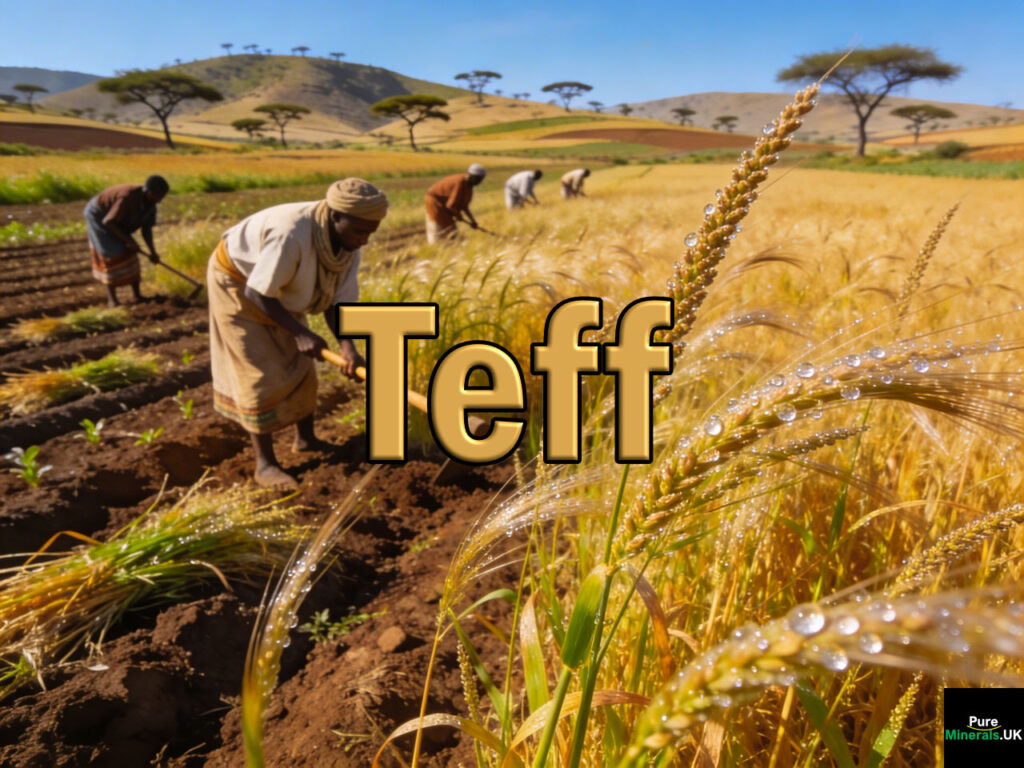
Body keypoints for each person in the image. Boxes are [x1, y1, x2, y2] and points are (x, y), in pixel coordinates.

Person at [207, 178, 388, 487]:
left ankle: (305, 440)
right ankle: (265, 464)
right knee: (258, 370)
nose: (365, 240)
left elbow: (338, 301)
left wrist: (348, 349)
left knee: (301, 365)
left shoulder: (347, 245)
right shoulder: (292, 234)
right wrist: (300, 333)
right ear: (335, 216)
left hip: (276, 287)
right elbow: (258, 293)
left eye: (370, 232)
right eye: (360, 231)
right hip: (238, 285)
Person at [83, 175, 168, 306]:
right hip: (99, 216)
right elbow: (108, 221)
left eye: (162, 197)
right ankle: (113, 300)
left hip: (116, 220)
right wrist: (128, 241)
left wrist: (153, 252)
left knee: (130, 253)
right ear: (149, 192)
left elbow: (146, 230)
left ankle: (137, 295)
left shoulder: (151, 205)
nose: (160, 200)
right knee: (111, 254)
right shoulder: (127, 197)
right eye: (159, 196)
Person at [424, 164, 486, 243]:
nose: (479, 182)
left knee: (450, 226)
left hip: (445, 204)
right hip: (434, 202)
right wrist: (458, 216)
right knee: (438, 224)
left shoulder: (469, 186)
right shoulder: (460, 182)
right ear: (472, 176)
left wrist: (473, 221)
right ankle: (436, 245)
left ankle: (449, 243)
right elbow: (450, 206)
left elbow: (464, 206)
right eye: (479, 179)